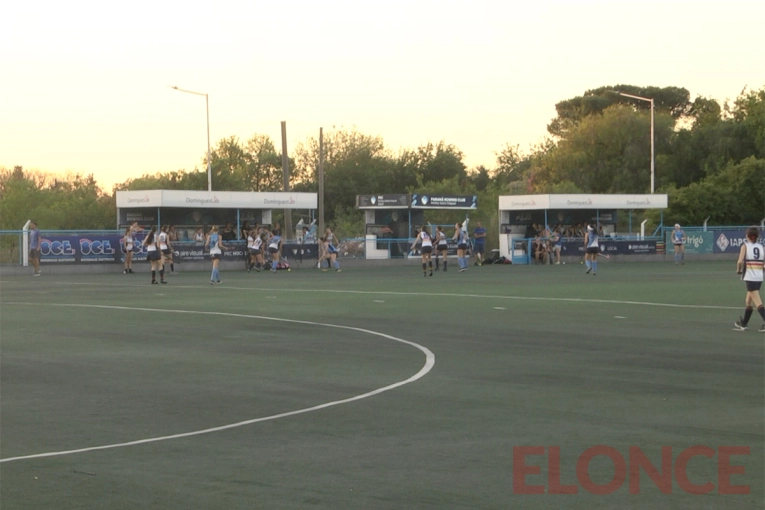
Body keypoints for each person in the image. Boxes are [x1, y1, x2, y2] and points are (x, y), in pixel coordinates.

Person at [733, 227, 765, 332]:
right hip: (759, 277)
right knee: (748, 301)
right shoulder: (761, 247)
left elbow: (739, 262)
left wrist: (738, 270)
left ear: (747, 236)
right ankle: (744, 323)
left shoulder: (745, 246)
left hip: (750, 277)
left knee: (758, 302)